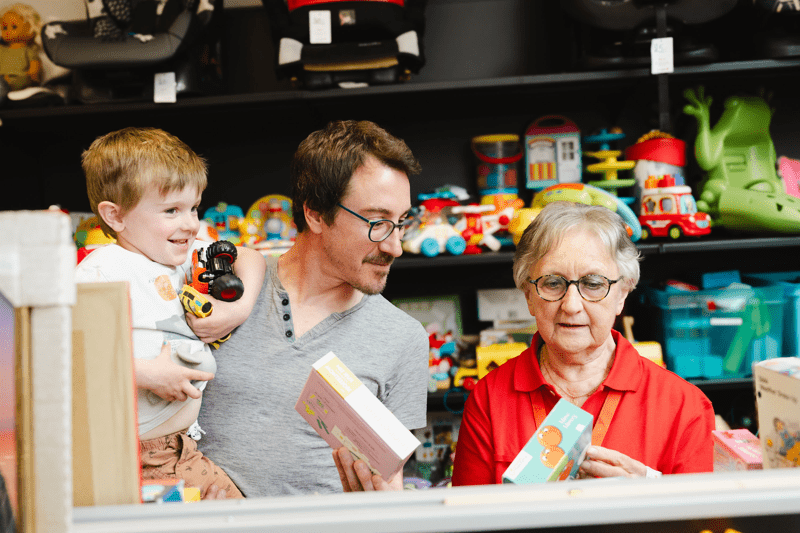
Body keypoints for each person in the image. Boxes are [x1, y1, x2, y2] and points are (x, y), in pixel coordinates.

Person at [198, 120, 430, 497]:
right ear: (316, 214)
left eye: (401, 223)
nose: (395, 247)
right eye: (378, 222)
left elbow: (390, 483)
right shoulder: (230, 290)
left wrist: (384, 505)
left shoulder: (405, 339)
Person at [451, 201, 715, 486]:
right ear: (528, 294)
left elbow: (705, 525)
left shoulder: (684, 405)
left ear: (622, 294)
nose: (571, 305)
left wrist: (654, 494)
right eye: (553, 283)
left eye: (593, 283)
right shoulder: (488, 400)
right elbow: (467, 521)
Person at [75, 127, 266, 499]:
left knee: (243, 513)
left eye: (193, 207)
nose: (190, 223)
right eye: (171, 211)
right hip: (138, 457)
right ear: (115, 216)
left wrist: (238, 310)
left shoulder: (181, 255)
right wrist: (146, 374)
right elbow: (69, 359)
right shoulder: (103, 270)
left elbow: (252, 257)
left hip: (182, 448)